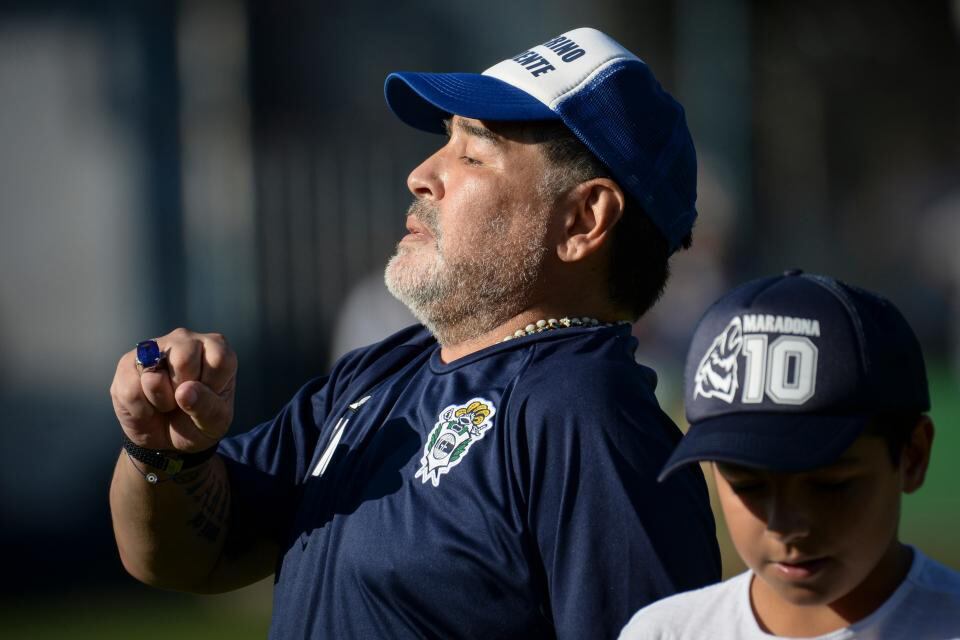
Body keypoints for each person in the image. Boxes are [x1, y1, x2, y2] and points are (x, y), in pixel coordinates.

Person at [110, 27, 721, 639]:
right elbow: (184, 558)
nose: (422, 174)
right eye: (444, 141)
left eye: (472, 153)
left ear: (584, 219)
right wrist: (164, 453)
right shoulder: (380, 373)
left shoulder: (588, 419)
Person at [620, 270, 960, 639]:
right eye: (749, 485)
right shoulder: (665, 632)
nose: (787, 526)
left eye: (829, 486)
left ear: (912, 455)